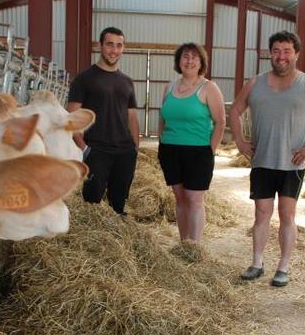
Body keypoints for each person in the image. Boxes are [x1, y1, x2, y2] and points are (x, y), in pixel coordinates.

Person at [229, 30, 305, 287]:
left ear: (297, 54)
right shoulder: (255, 83)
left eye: (287, 51)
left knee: (287, 214)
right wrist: (240, 140)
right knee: (261, 213)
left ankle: (283, 267)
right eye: (276, 51)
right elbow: (234, 111)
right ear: (270, 54)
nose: (281, 56)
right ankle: (257, 263)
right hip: (262, 161)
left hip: (293, 164)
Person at [67, 27, 140, 215]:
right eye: (109, 45)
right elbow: (72, 118)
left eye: (119, 46)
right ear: (100, 46)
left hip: (124, 150)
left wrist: (135, 148)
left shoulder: (127, 81)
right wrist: (84, 148)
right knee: (92, 204)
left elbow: (132, 116)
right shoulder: (84, 79)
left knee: (119, 203)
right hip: (96, 150)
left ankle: (119, 239)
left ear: (123, 48)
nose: (114, 50)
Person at [157, 42, 226, 242]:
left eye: (194, 57)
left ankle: (194, 246)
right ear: (179, 61)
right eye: (185, 57)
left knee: (194, 200)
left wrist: (209, 151)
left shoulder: (209, 88)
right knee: (179, 199)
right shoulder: (169, 87)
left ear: (201, 62)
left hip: (198, 152)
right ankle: (183, 241)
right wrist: (162, 140)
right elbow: (163, 117)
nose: (189, 61)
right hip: (170, 150)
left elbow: (220, 122)